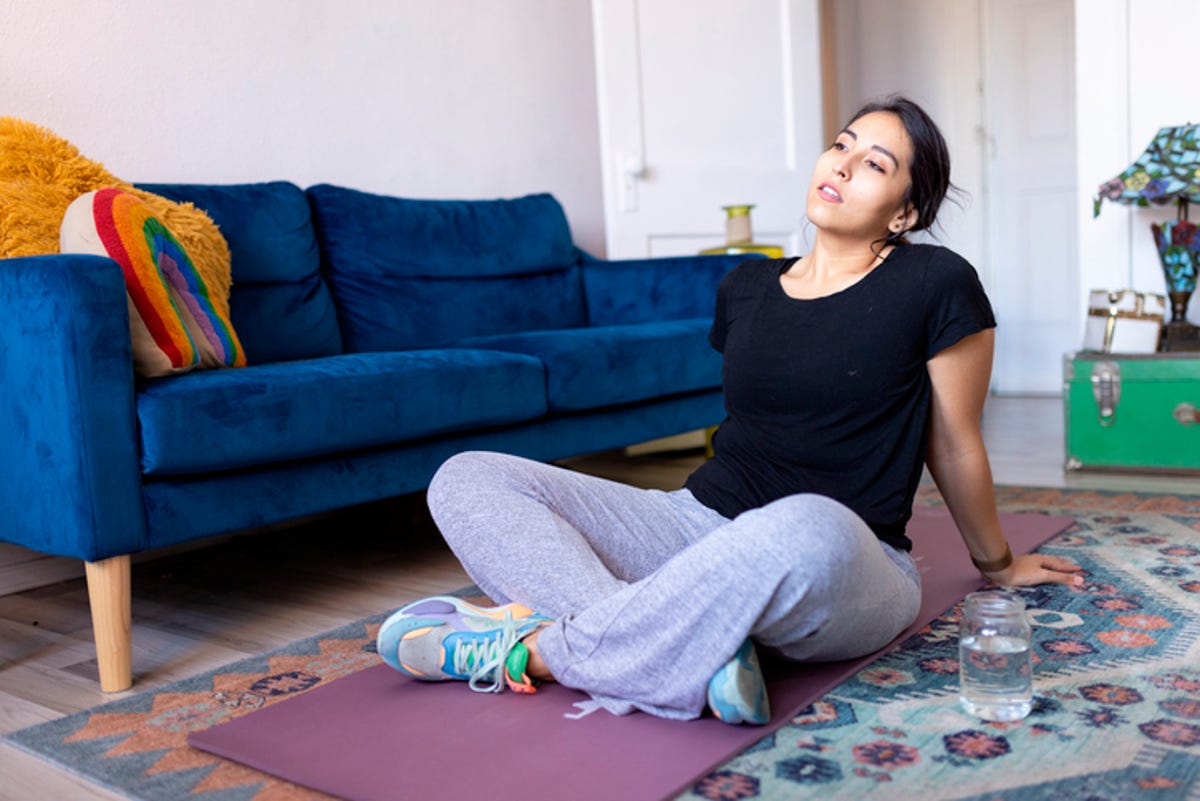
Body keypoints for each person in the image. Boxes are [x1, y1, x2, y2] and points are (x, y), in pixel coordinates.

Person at [374, 95, 1084, 725]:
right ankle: (699, 650)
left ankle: (536, 651)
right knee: (466, 477)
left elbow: (955, 442)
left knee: (805, 523)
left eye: (874, 162)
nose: (840, 163)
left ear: (904, 212)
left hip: (842, 553)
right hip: (696, 525)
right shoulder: (744, 285)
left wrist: (996, 562)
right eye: (840, 144)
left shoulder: (937, 282)